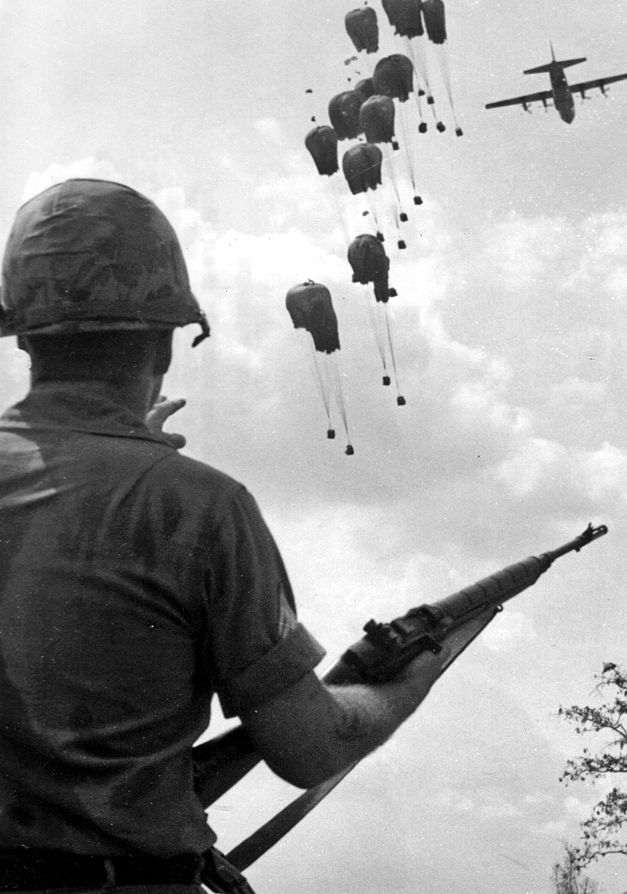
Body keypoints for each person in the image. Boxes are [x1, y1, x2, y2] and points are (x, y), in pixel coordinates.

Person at [0, 178, 441, 893]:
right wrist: (404, 689)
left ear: (23, 336)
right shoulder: (202, 508)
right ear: (168, 343)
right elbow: (313, 748)